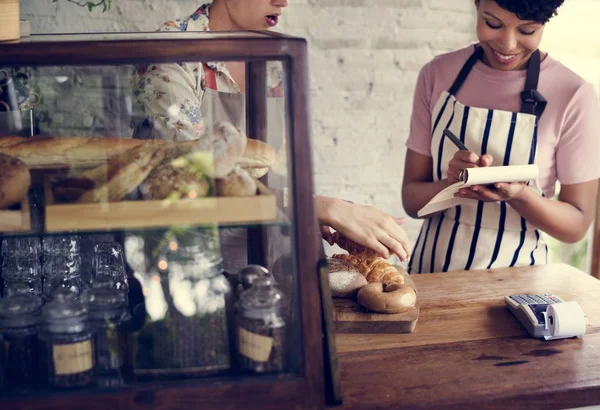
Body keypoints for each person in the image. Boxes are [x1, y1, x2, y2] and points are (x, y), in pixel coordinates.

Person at [132, 0, 410, 262]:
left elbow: (284, 171)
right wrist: (322, 207)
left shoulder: (277, 56)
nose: (283, 1)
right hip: (191, 267)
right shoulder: (172, 51)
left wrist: (321, 213)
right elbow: (190, 179)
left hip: (273, 265)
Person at [402, 0, 600, 274]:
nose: (507, 45)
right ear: (476, 5)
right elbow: (412, 201)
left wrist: (520, 196)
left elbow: (576, 225)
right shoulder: (437, 74)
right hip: (432, 275)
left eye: (527, 31)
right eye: (492, 23)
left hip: (518, 288)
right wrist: (452, 184)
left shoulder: (574, 95)